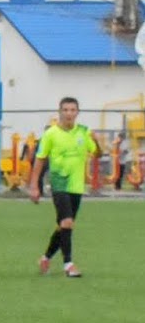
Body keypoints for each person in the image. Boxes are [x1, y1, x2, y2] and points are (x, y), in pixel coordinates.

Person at [29, 97, 101, 278]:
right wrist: (34, 186)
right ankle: (68, 265)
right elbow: (40, 159)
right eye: (65, 110)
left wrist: (97, 142)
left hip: (76, 186)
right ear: (60, 112)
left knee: (64, 226)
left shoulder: (84, 132)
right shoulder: (51, 134)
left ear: (77, 112)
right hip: (59, 183)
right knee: (67, 222)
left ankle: (45, 258)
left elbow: (97, 153)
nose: (69, 113)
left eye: (72, 110)